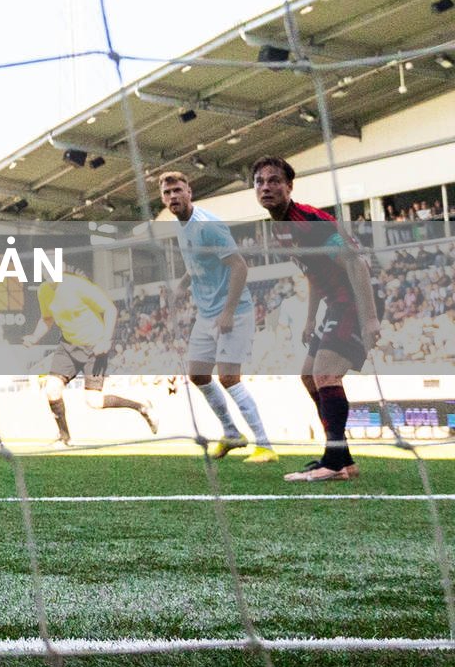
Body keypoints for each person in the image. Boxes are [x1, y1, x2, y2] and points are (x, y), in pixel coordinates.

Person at [251, 156, 381, 483]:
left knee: (325, 374)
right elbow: (311, 274)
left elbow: (355, 263)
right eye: (259, 181)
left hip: (355, 298)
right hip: (336, 302)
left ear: (289, 186)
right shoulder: (280, 230)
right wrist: (311, 319)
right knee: (309, 376)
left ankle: (334, 463)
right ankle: (342, 459)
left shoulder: (306, 221)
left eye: (274, 180)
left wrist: (369, 319)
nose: (266, 187)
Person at [158, 170, 276, 463]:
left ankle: (265, 445)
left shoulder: (207, 225)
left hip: (233, 312)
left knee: (228, 378)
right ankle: (231, 433)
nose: (173, 196)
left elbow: (239, 266)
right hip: (206, 314)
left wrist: (228, 311)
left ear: (189, 192)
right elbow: (197, 262)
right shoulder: (181, 227)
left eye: (177, 190)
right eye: (167, 192)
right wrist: (181, 286)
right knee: (198, 374)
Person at [22, 270, 156, 445]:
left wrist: (106, 340)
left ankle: (142, 406)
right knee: (52, 389)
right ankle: (65, 437)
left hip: (95, 347)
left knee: (94, 401)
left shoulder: (78, 285)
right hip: (68, 346)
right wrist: (34, 337)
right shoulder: (44, 290)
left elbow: (110, 309)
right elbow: (47, 319)